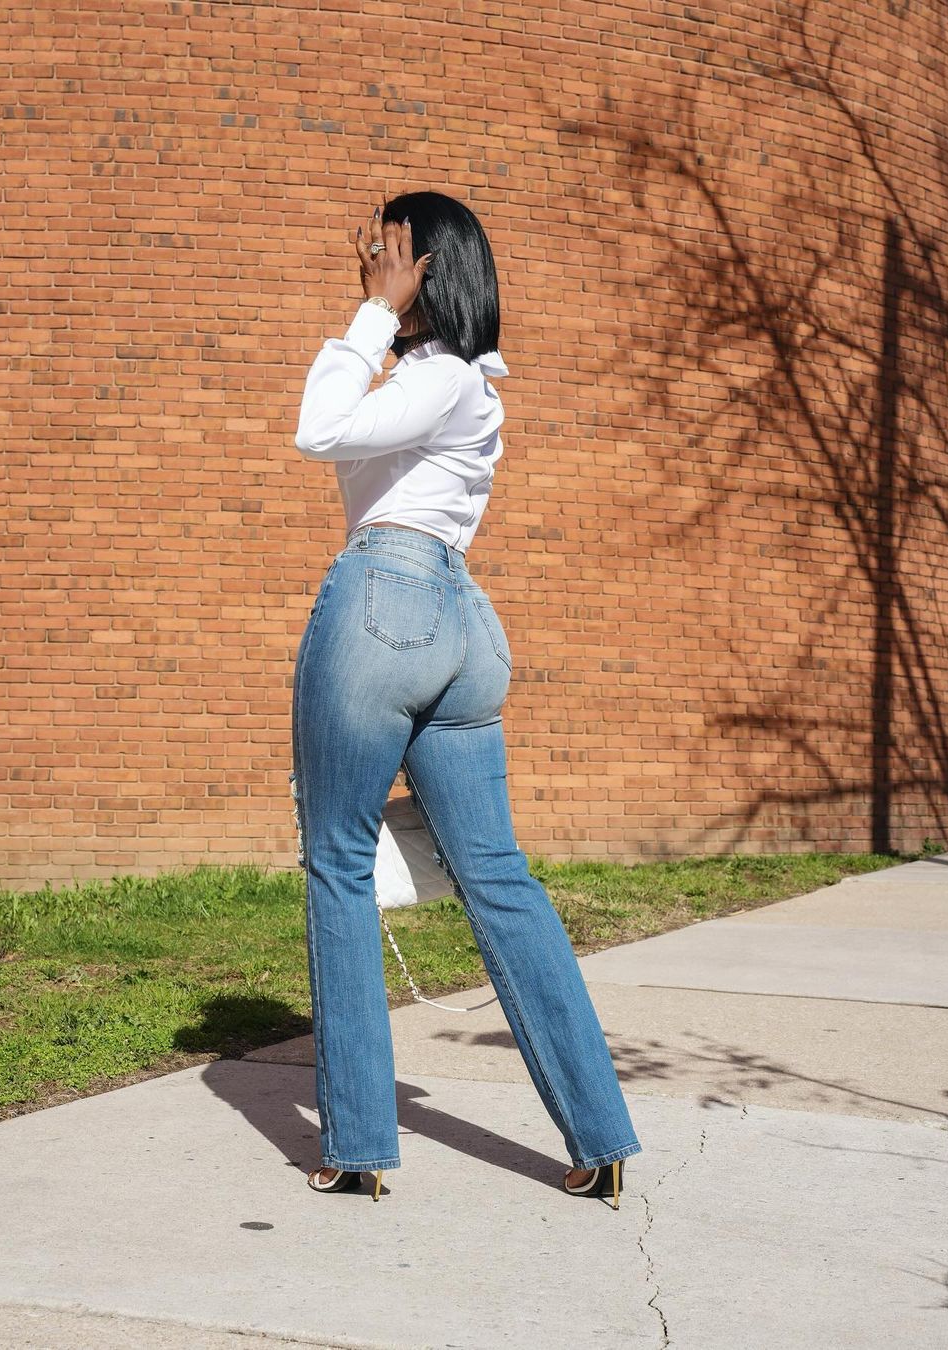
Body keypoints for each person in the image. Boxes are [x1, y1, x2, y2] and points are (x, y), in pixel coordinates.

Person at [290, 190, 642, 1207]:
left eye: (386, 250)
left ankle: (358, 1146)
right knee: (497, 875)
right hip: (462, 624)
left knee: (339, 864)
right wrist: (385, 318)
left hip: (383, 603)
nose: (370, 262)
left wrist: (371, 314)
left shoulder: (441, 375)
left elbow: (319, 428)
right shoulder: (469, 382)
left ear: (424, 268)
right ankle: (599, 1136)